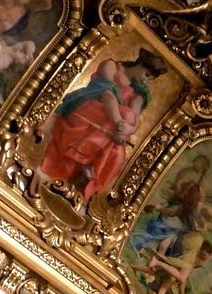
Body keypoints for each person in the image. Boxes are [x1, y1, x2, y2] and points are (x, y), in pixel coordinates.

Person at [36, 52, 169, 201]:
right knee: (125, 117)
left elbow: (135, 119)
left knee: (119, 152)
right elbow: (107, 95)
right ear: (140, 64)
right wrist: (119, 123)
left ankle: (89, 176)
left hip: (109, 130)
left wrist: (128, 130)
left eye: (151, 78)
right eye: (147, 73)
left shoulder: (139, 92)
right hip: (87, 110)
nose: (146, 79)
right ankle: (85, 166)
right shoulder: (111, 66)